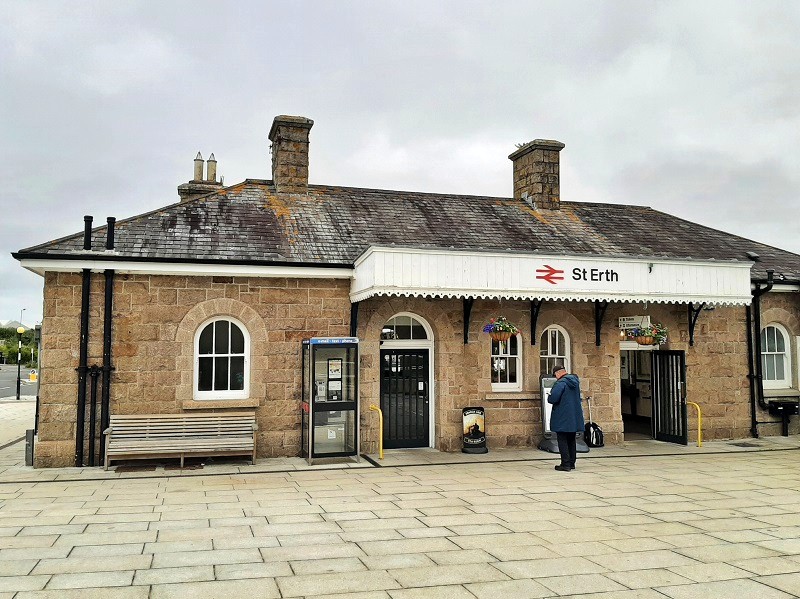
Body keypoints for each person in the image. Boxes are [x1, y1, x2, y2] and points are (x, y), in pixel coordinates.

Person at [547, 364, 585, 471]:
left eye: (555, 375)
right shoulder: (574, 381)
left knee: (562, 439)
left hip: (562, 416)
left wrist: (550, 395)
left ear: (558, 373)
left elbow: (553, 398)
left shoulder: (560, 383)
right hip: (573, 416)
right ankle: (572, 462)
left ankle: (565, 463)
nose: (555, 377)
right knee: (571, 439)